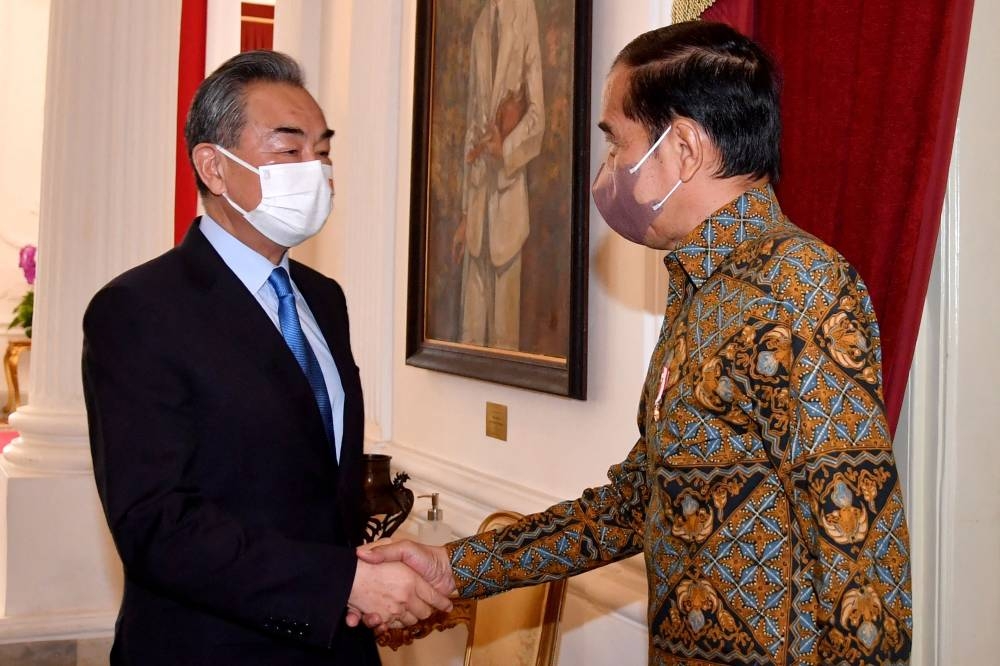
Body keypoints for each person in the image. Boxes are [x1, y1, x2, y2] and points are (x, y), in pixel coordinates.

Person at [360, 21, 913, 665]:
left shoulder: (800, 287)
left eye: (617, 143)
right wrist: (452, 567)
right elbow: (632, 505)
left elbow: (861, 554)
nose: (610, 170)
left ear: (683, 147)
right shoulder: (701, 290)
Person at [82, 51, 451, 665]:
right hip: (208, 648)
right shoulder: (138, 309)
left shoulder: (324, 299)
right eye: (290, 150)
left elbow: (317, 482)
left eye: (324, 151)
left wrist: (368, 580)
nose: (316, 169)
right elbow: (156, 522)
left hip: (336, 642)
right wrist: (342, 584)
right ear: (214, 166)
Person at [453, 0, 545, 350]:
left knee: (506, 340)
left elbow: (538, 114)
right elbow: (470, 126)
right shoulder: (480, 26)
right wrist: (464, 215)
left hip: (507, 203)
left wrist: (504, 150)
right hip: (477, 209)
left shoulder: (524, 13)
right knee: (470, 339)